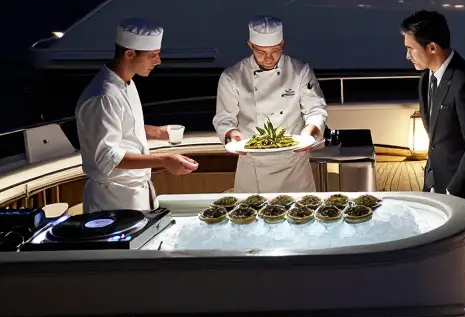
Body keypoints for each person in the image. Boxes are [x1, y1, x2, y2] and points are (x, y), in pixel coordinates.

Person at [75, 18, 198, 213]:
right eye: (153, 56)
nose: (158, 61)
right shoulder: (103, 97)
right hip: (114, 199)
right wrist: (164, 160)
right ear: (130, 54)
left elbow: (123, 128)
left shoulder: (127, 83)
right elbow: (108, 158)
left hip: (136, 192)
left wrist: (156, 132)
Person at [402, 9, 465, 210]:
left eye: (410, 49)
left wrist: (452, 191)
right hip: (437, 187)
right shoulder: (426, 79)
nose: (407, 56)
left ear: (432, 47)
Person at [213, 16, 327, 193]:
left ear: (282, 44)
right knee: (252, 217)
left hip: (293, 164)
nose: (268, 58)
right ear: (250, 46)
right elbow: (224, 118)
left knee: (300, 216)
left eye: (275, 51)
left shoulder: (299, 70)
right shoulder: (232, 77)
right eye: (260, 52)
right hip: (253, 164)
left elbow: (316, 109)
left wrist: (309, 132)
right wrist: (232, 134)